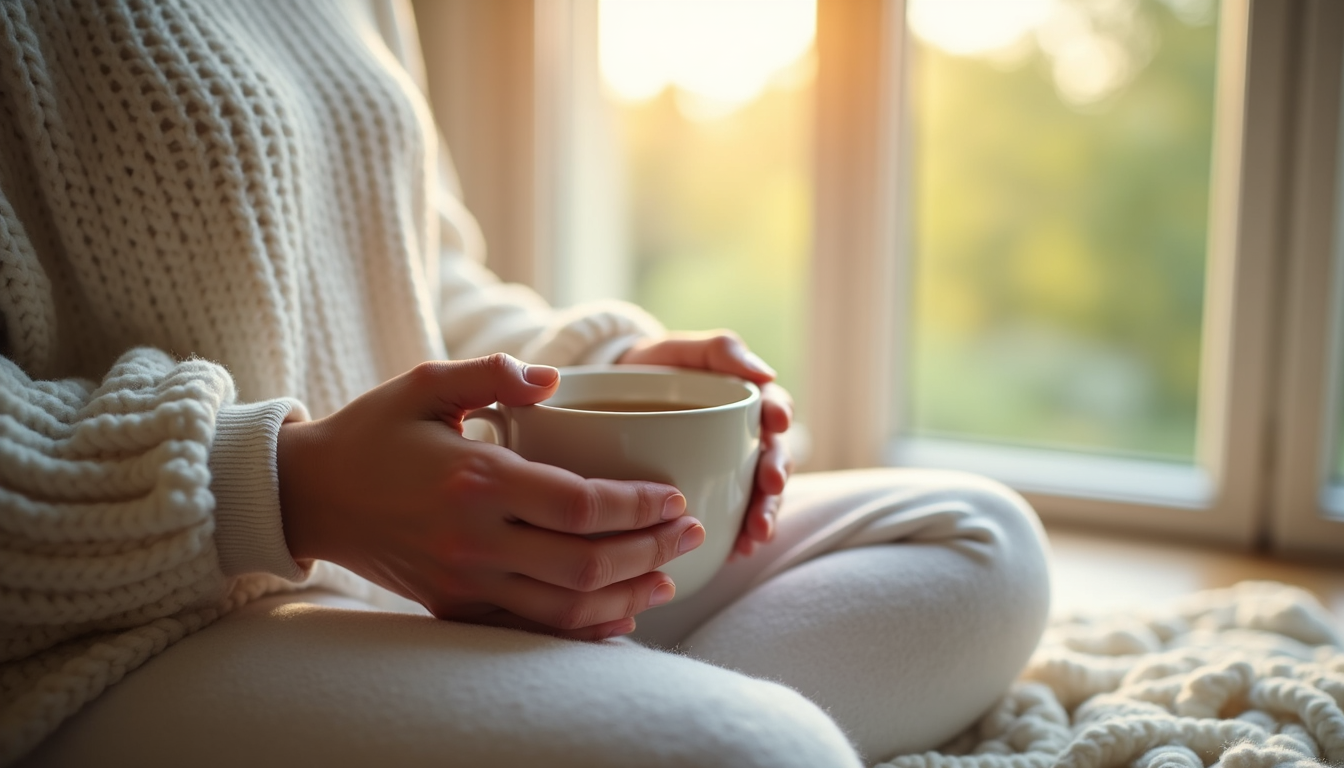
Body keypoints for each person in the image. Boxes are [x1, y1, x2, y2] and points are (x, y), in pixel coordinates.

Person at [0, 1, 1052, 766]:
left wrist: (600, 379)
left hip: (443, 559)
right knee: (760, 754)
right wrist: (285, 486)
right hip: (125, 631)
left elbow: (418, 276)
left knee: (974, 532)